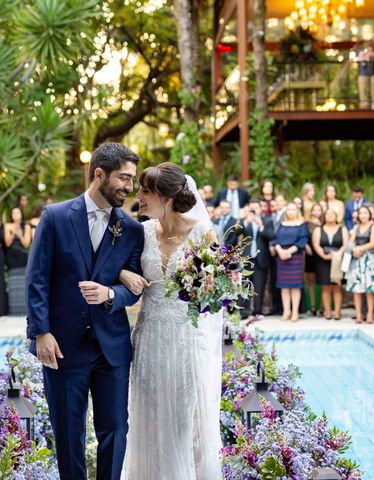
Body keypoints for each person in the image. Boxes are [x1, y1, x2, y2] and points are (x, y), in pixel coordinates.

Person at [26, 143, 144, 480]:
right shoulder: (55, 217)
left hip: (112, 349)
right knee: (68, 434)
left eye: (132, 180)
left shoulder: (131, 230)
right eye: (124, 178)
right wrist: (41, 332)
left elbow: (132, 291)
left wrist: (111, 292)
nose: (129, 187)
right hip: (62, 346)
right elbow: (37, 280)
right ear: (99, 174)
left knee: (115, 431)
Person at [117, 161, 222, 479]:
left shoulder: (203, 233)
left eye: (145, 191)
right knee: (146, 421)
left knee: (180, 423)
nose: (139, 196)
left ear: (166, 197)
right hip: (148, 340)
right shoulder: (142, 232)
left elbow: (215, 294)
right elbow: (116, 268)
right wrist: (122, 273)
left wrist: (209, 284)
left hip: (184, 341)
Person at [271, 203, 309, 322]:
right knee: (284, 286)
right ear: (286, 212)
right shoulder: (281, 225)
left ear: (297, 211)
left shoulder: (302, 225)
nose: (291, 211)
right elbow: (275, 239)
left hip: (295, 256)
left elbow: (303, 239)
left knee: (295, 286)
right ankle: (286, 311)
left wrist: (289, 252)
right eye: (289, 209)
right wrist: (280, 251)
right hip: (281, 256)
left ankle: (295, 312)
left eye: (294, 209)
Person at [240, 200, 275, 319]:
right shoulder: (245, 220)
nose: (255, 210)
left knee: (259, 286)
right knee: (244, 285)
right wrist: (245, 222)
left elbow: (271, 236)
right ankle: (244, 312)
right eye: (252, 208)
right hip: (247, 258)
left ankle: (257, 311)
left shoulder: (267, 221)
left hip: (261, 258)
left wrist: (261, 227)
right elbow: (235, 234)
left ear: (261, 209)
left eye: (257, 207)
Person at [346, 206, 374, 323]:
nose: (363, 215)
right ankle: (359, 314)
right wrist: (354, 249)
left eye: (365, 213)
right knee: (357, 288)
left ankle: (370, 313)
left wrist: (360, 248)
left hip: (368, 259)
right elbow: (351, 241)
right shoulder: (356, 227)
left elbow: (372, 243)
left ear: (369, 214)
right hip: (356, 259)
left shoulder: (373, 227)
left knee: (369, 288)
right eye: (361, 213)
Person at [313, 208, 348, 321]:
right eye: (327, 214)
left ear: (336, 216)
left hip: (338, 260)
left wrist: (338, 254)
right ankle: (327, 311)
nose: (330, 216)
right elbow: (316, 244)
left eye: (332, 214)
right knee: (326, 287)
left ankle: (337, 312)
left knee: (337, 286)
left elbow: (346, 244)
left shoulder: (342, 229)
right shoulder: (319, 229)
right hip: (323, 260)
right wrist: (323, 255)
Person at [5, 207, 31, 316]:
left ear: (21, 214)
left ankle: (24, 309)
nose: (15, 214)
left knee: (22, 282)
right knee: (13, 282)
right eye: (13, 212)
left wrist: (20, 234)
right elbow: (7, 243)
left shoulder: (27, 226)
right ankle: (14, 309)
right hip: (11, 256)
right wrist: (13, 233)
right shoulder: (7, 226)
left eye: (17, 212)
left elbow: (26, 244)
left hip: (22, 256)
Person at [304, 203, 323, 316]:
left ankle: (321, 307)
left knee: (321, 281)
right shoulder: (307, 224)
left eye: (318, 210)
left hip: (321, 254)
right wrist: (306, 246)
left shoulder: (325, 223)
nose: (316, 212)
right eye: (314, 210)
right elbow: (303, 236)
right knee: (311, 281)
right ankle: (312, 307)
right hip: (310, 254)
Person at [357, 44, 374, 109]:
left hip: (372, 74)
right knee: (363, 89)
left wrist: (372, 54)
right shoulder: (362, 53)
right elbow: (361, 60)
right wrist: (367, 55)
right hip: (363, 74)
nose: (369, 49)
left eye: (370, 48)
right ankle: (364, 105)